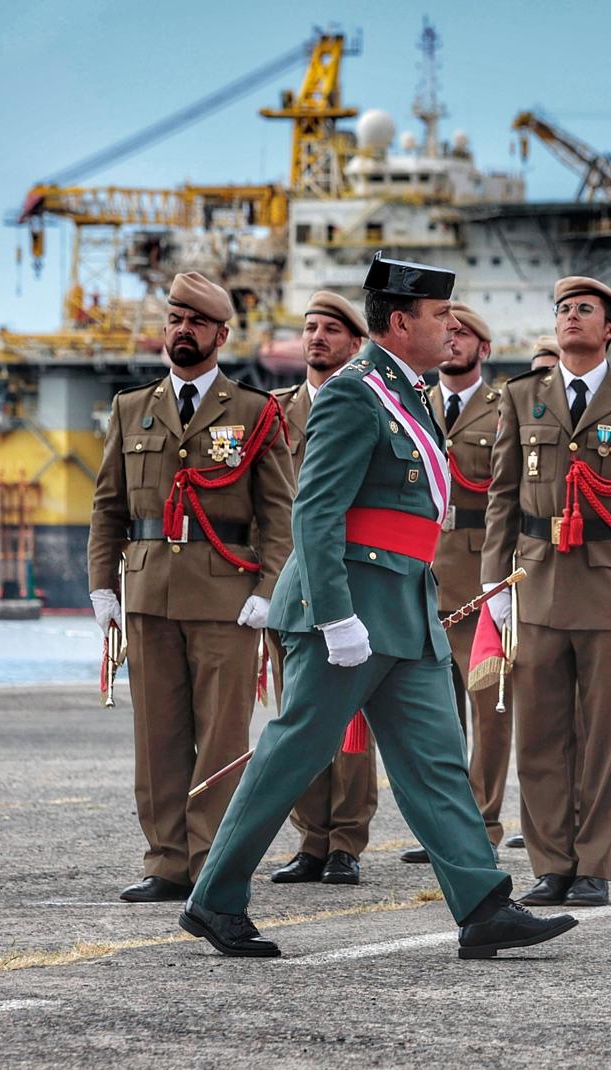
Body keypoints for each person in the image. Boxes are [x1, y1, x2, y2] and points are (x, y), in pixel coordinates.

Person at [180, 253, 575, 959]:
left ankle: (482, 903)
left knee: (437, 761)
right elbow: (315, 511)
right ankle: (214, 897)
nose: (450, 327)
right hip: (351, 613)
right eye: (438, 315)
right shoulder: (353, 393)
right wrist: (334, 615)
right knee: (293, 751)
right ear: (400, 322)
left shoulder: (409, 390)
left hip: (404, 608)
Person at [88, 272, 294, 903]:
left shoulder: (255, 411)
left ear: (221, 334)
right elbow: (108, 508)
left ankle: (213, 860)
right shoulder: (131, 408)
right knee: (158, 735)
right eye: (175, 318)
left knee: (224, 737)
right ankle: (166, 862)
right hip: (149, 595)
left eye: (196, 322)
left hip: (226, 597)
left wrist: (268, 589)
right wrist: (102, 587)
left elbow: (280, 514)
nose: (182, 330)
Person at [483, 276, 611, 909]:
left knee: (601, 736)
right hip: (536, 581)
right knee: (538, 732)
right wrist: (494, 578)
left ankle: (591, 865)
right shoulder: (522, 395)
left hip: (609, 586)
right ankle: (549, 864)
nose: (570, 318)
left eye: (583, 310)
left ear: (610, 330)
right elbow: (502, 496)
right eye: (563, 309)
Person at [266, 291, 380, 887]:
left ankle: (345, 841)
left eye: (331, 330)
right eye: (310, 328)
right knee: (301, 712)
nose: (317, 338)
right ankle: (310, 838)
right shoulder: (276, 412)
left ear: (355, 342)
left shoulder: (371, 404)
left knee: (352, 720)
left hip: (348, 574)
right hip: (291, 580)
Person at [396, 302, 512, 863]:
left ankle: (483, 823)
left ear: (483, 350)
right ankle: (446, 826)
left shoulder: (502, 407)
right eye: (450, 331)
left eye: (467, 335)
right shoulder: (415, 403)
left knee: (488, 708)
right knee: (437, 715)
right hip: (421, 573)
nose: (455, 340)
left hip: (478, 577)